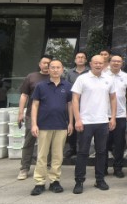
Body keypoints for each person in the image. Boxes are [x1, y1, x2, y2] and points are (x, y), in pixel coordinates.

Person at [72, 54, 116, 194]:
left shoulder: (109, 79)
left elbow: (113, 99)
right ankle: (79, 181)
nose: (98, 65)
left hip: (103, 121)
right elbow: (75, 99)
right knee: (82, 152)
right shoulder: (82, 78)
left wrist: (113, 117)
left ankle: (100, 180)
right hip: (85, 122)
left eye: (101, 63)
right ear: (90, 64)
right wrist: (77, 119)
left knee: (102, 152)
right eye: (95, 63)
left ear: (104, 64)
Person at [29, 58, 73, 196]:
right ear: (48, 70)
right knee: (42, 155)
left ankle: (55, 181)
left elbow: (70, 105)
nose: (55, 70)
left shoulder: (67, 86)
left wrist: (71, 122)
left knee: (57, 155)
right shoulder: (41, 86)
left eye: (58, 67)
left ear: (62, 69)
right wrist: (34, 124)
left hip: (61, 125)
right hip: (44, 125)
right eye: (52, 67)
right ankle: (39, 182)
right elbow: (35, 105)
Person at [16, 55, 52, 180]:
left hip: (49, 115)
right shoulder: (31, 77)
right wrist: (20, 112)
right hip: (32, 115)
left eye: (49, 63)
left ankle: (47, 166)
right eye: (44, 63)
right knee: (29, 142)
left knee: (49, 142)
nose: (46, 65)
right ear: (39, 64)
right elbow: (24, 95)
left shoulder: (55, 77)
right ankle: (24, 168)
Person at [104, 53, 127, 178]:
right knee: (104, 143)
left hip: (120, 114)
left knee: (119, 143)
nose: (116, 63)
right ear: (109, 62)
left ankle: (118, 168)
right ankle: (102, 167)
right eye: (114, 61)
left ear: (122, 63)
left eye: (118, 61)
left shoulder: (126, 77)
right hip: (104, 114)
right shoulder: (103, 75)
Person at [64, 52, 88, 158]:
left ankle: (83, 149)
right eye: (78, 57)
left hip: (87, 104)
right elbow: (66, 87)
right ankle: (72, 148)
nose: (80, 59)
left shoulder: (90, 72)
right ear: (75, 60)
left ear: (86, 60)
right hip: (72, 103)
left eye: (83, 57)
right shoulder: (70, 73)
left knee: (85, 128)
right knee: (72, 124)